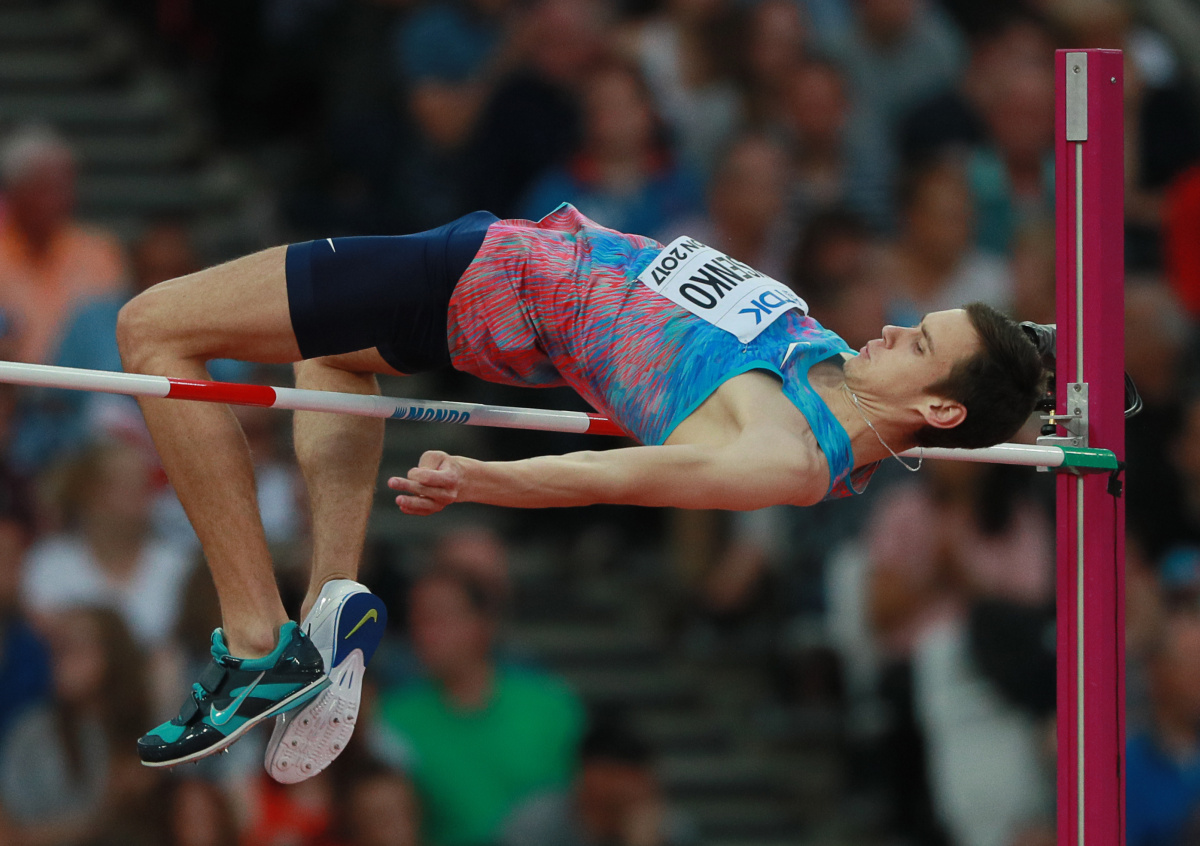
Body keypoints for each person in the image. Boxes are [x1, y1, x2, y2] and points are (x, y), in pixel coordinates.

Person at [116, 203, 1045, 777]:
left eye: (920, 343)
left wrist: (485, 479)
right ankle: (328, 617)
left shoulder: (788, 451)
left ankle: (255, 642)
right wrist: (1048, 382)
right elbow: (992, 389)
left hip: (483, 280)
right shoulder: (843, 377)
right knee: (331, 360)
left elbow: (621, 475)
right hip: (520, 259)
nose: (894, 328)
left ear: (938, 407)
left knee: (154, 330)